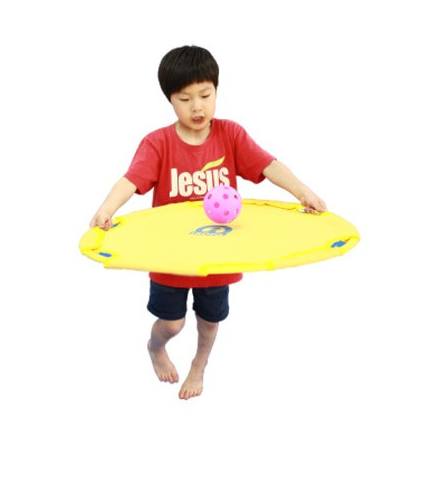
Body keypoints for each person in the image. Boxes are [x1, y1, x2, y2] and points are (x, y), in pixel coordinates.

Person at [90, 45, 326, 400]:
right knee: (173, 322)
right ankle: (155, 346)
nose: (197, 107)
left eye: (205, 95)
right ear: (170, 100)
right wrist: (106, 209)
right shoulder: (157, 143)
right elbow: (131, 180)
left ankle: (198, 366)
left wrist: (303, 192)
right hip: (170, 256)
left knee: (209, 321)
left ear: (217, 90)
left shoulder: (231, 134)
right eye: (185, 99)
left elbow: (268, 165)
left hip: (218, 253)